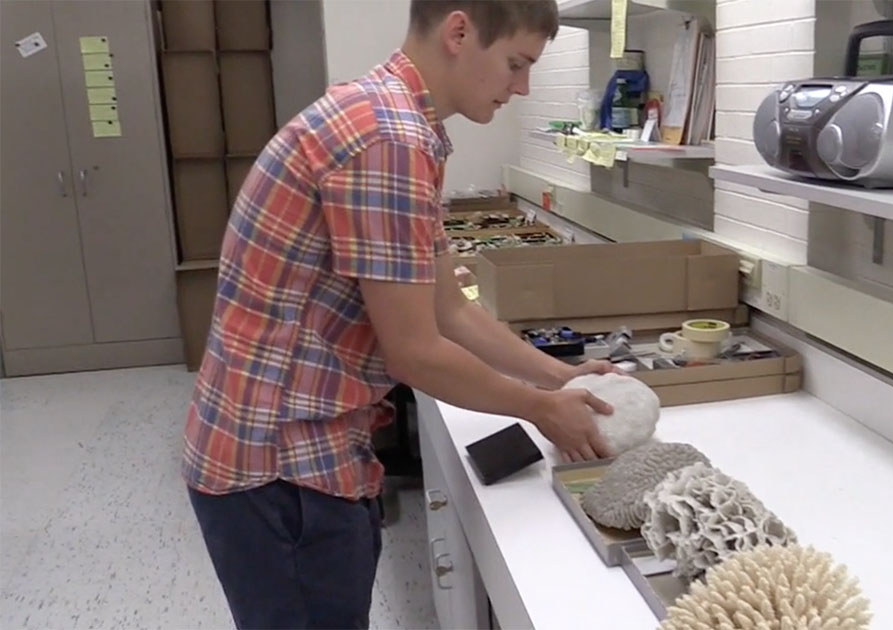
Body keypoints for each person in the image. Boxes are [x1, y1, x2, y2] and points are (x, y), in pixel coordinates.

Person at [181, 2, 615, 628]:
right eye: (516, 64)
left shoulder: (395, 120)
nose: (522, 88)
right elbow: (414, 352)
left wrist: (558, 377)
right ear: (459, 32)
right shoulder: (388, 139)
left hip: (294, 449)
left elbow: (449, 312)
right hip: (278, 467)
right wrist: (542, 410)